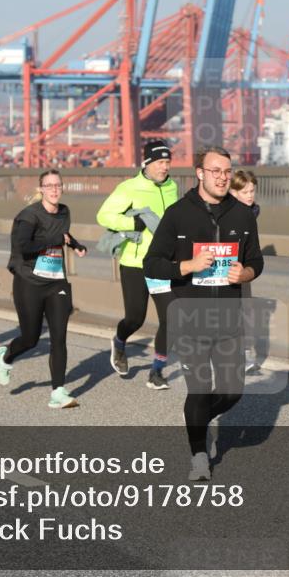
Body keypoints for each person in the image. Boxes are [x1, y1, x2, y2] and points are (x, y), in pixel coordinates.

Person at [144, 146, 263, 481]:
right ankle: (199, 455)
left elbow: (256, 260)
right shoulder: (178, 214)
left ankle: (197, 420)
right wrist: (188, 266)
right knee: (199, 390)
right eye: (215, 171)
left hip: (229, 319)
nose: (222, 178)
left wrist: (245, 273)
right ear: (199, 173)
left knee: (232, 391)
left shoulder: (242, 215)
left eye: (227, 171)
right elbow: (151, 263)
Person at [0, 169, 87, 410]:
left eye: (58, 185)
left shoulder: (64, 211)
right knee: (30, 338)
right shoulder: (29, 216)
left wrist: (76, 245)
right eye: (49, 186)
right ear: (41, 189)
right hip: (29, 282)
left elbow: (62, 234)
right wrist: (54, 241)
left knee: (59, 336)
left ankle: (58, 391)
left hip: (56, 282)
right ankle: (6, 356)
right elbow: (24, 246)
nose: (54, 189)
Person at [96, 139, 178, 389]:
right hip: (135, 263)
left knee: (171, 318)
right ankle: (119, 342)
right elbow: (104, 215)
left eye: (167, 162)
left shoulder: (172, 186)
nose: (165, 167)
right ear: (147, 163)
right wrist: (133, 223)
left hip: (162, 264)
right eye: (160, 162)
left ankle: (156, 372)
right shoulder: (129, 187)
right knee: (135, 319)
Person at [230, 170, 265, 373]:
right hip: (224, 268)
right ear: (233, 192)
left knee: (244, 311)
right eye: (245, 192)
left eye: (252, 191)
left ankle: (242, 355)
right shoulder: (227, 211)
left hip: (242, 270)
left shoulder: (252, 212)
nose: (250, 195)